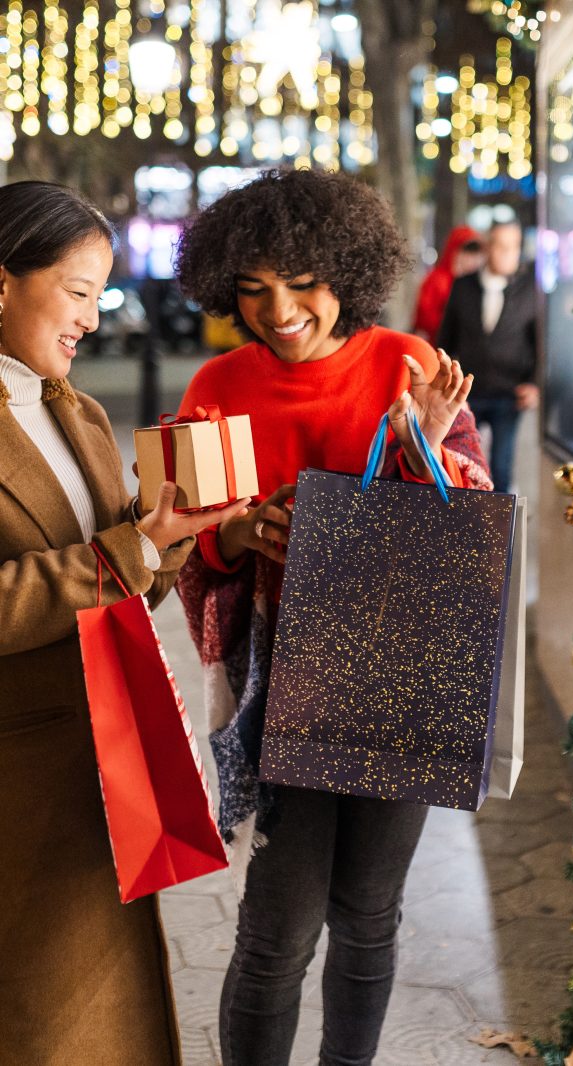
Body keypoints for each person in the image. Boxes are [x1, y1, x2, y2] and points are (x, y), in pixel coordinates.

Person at [172, 166, 493, 1066]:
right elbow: (190, 548)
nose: (281, 309)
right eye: (254, 288)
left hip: (405, 670)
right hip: (286, 677)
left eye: (303, 280)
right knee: (277, 930)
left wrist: (427, 447)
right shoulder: (216, 386)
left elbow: (467, 516)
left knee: (369, 914)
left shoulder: (410, 363)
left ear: (345, 269)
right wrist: (236, 532)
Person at [0, 181, 249, 1066]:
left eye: (98, 297)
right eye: (76, 292)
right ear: (1, 282)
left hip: (109, 766)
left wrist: (172, 529)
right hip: (21, 783)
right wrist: (120, 552)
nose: (90, 321)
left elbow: (127, 581)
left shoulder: (81, 411)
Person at [437, 218, 538, 493]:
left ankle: (499, 532)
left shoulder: (530, 288)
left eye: (513, 247)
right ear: (488, 247)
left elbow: (539, 341)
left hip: (509, 392)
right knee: (462, 463)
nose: (507, 253)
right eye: (500, 246)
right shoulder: (463, 286)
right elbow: (446, 339)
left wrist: (535, 383)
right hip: (468, 391)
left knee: (501, 467)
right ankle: (464, 527)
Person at [412, 224, 483, 343]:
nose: (473, 258)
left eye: (476, 253)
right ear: (454, 250)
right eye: (468, 251)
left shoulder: (476, 283)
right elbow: (425, 319)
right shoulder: (437, 280)